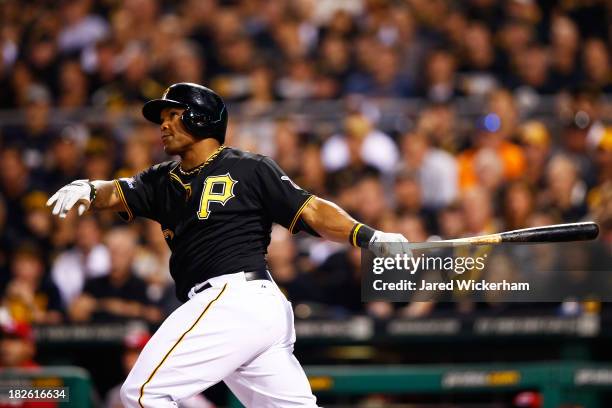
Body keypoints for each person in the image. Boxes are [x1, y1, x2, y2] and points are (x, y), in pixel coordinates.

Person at [46, 82, 410, 407]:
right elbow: (117, 192)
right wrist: (89, 189)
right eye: (164, 117)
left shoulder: (249, 168)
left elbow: (311, 209)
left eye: (174, 115)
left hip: (234, 298)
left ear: (201, 119)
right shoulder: (161, 180)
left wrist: (370, 236)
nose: (164, 124)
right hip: (245, 310)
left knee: (143, 393)